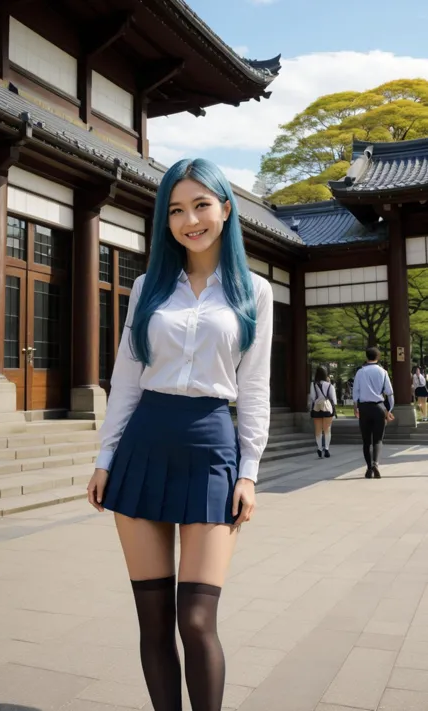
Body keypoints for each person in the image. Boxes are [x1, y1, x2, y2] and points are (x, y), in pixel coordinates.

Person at [86, 158, 273, 711]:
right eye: (175, 210)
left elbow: (255, 387)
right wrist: (105, 457)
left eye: (201, 205)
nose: (189, 220)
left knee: (196, 619)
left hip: (213, 445)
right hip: (144, 443)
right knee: (154, 621)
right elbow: (124, 378)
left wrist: (249, 472)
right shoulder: (148, 287)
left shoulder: (253, 291)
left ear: (226, 209)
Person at [352, 347, 395, 479]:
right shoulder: (383, 372)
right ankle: (376, 464)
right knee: (378, 440)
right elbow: (389, 392)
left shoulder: (360, 372)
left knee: (366, 441)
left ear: (366, 357)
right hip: (379, 407)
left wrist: (355, 408)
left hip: (364, 408)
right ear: (378, 357)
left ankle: (369, 468)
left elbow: (355, 393)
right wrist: (389, 410)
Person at [309, 366, 337, 458]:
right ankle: (327, 449)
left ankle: (320, 448)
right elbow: (333, 399)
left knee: (318, 430)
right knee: (327, 429)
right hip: (327, 408)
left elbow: (313, 398)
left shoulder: (313, 384)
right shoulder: (329, 385)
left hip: (317, 407)